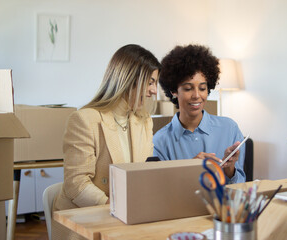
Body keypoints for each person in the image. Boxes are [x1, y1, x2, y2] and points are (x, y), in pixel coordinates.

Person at [52, 44, 161, 239]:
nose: (154, 91)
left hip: (124, 220)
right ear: (129, 79)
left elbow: (142, 174)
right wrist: (117, 208)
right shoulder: (85, 119)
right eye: (150, 82)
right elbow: (76, 184)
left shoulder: (144, 122)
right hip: (85, 223)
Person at [153, 44, 246, 184]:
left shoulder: (229, 128)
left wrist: (229, 169)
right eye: (188, 88)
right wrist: (189, 170)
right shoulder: (160, 141)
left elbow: (241, 186)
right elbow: (160, 191)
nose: (197, 95)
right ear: (173, 91)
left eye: (202, 88)